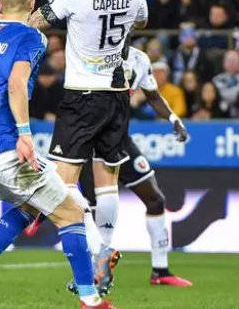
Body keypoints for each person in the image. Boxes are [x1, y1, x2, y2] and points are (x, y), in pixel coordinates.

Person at [0, 0, 147, 296]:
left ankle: (96, 261)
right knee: (102, 183)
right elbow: (140, 23)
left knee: (58, 192)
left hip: (82, 98)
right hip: (118, 97)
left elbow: (28, 22)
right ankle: (100, 250)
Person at [73, 46, 190, 290]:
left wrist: (173, 119)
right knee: (95, 208)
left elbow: (153, 96)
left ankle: (160, 271)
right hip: (93, 141)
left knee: (155, 200)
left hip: (121, 140)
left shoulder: (139, 59)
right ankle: (94, 271)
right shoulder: (95, 51)